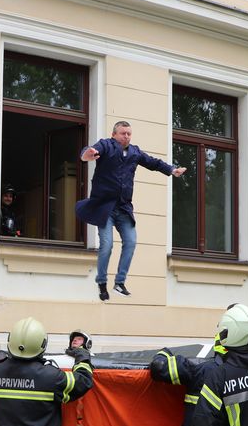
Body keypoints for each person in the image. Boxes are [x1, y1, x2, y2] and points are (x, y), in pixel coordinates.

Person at [76, 121, 186, 301]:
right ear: (114, 134)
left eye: (128, 134)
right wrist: (88, 154)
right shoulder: (106, 145)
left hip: (124, 208)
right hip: (105, 208)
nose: (126, 136)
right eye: (122, 133)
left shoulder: (135, 152)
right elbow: (89, 151)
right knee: (107, 245)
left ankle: (119, 282)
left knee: (131, 241)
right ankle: (102, 282)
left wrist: (172, 170)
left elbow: (153, 163)